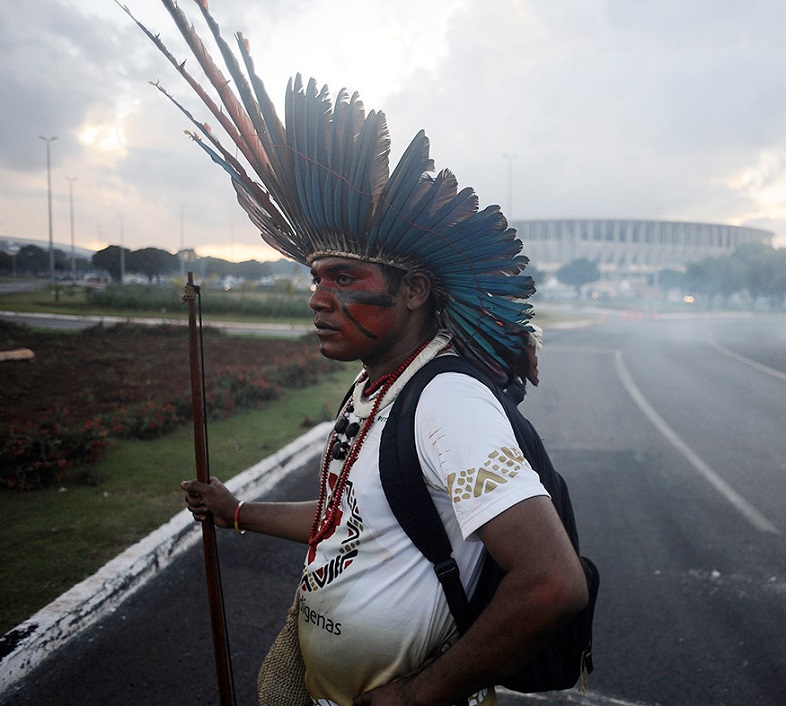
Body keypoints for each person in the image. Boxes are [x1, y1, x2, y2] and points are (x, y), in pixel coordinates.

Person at [131, 2, 590, 704]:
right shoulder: (379, 388)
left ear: (413, 292)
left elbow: (554, 582)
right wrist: (236, 511)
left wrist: (420, 695)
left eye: (345, 278)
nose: (319, 298)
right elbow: (341, 522)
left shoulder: (448, 404)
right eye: (315, 278)